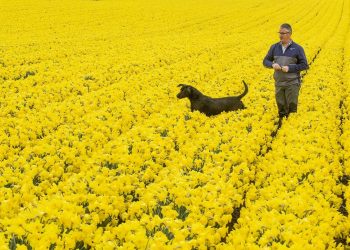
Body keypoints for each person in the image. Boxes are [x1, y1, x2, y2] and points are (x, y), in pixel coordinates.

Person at [263, 23, 309, 118]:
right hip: (279, 83)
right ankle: (282, 129)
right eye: (280, 33)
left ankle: (291, 129)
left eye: (283, 33)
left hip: (292, 83)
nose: (280, 35)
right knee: (282, 110)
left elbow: (304, 65)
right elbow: (265, 61)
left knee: (292, 111)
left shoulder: (297, 48)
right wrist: (272, 64)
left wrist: (290, 68)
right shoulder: (274, 47)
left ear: (289, 34)